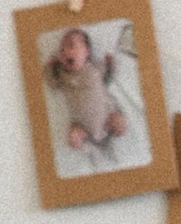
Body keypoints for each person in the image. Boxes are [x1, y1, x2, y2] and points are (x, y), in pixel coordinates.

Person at [44, 20, 131, 162]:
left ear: (87, 52)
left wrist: (110, 65)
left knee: (120, 124)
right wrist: (50, 68)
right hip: (82, 127)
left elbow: (107, 79)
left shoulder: (95, 67)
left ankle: (115, 130)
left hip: (106, 118)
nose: (65, 52)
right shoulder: (63, 74)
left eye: (71, 45)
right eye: (62, 50)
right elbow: (52, 83)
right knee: (73, 138)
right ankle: (86, 145)